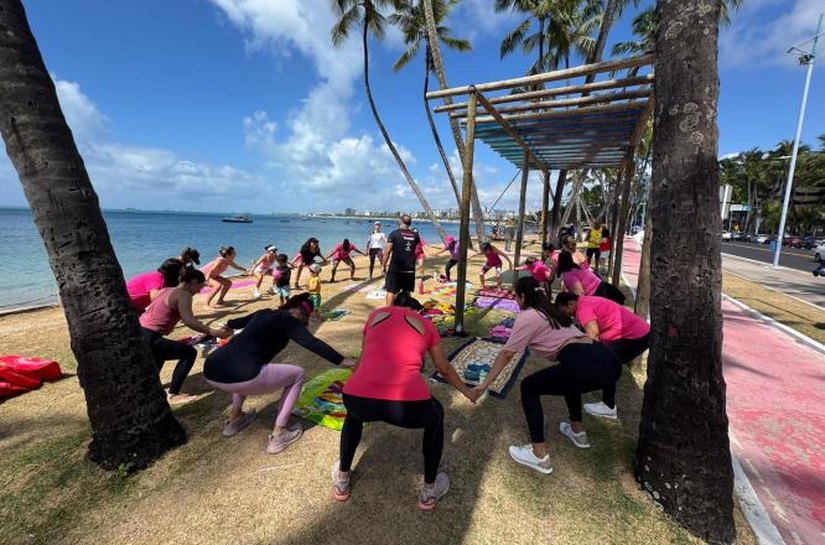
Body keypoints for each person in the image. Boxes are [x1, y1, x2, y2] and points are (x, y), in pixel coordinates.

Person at [331, 291, 477, 509]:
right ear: (416, 310)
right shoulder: (426, 325)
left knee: (354, 416)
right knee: (436, 416)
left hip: (357, 398)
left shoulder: (375, 316)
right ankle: (429, 491)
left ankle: (342, 479)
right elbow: (443, 368)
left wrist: (361, 385)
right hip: (406, 407)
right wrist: (467, 392)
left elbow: (363, 358)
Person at [475, 277, 622, 474]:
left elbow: (506, 353)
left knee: (529, 387)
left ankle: (539, 455)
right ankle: (578, 433)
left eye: (517, 297)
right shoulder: (552, 311)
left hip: (583, 361)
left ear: (523, 297)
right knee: (569, 379)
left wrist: (484, 384)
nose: (517, 302)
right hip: (609, 362)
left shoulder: (528, 316)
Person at [203, 293, 356, 453]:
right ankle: (279, 433)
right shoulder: (288, 320)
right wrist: (342, 361)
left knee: (247, 365)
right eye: (303, 315)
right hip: (242, 376)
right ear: (296, 309)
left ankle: (235, 419)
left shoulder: (264, 312)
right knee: (298, 374)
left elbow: (235, 322)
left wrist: (227, 326)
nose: (302, 319)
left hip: (212, 369)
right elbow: (312, 343)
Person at [139, 269, 232, 403]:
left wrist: (204, 328)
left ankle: (150, 388)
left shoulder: (167, 290)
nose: (199, 291)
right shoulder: (184, 295)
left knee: (161, 354)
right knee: (189, 353)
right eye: (200, 287)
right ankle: (174, 394)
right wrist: (213, 332)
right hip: (150, 335)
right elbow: (189, 321)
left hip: (140, 332)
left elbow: (186, 318)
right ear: (193, 282)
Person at [555, 292, 650, 419]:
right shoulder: (585, 301)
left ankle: (608, 406)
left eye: (564, 310)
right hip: (638, 332)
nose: (565, 314)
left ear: (571, 303)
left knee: (606, 363)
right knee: (606, 360)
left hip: (635, 336)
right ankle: (605, 400)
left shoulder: (583, 309)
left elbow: (593, 334)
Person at [557, 251, 626, 305]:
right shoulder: (578, 267)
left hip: (599, 295)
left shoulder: (569, 275)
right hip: (605, 288)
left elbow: (580, 293)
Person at [381, 214, 421, 307]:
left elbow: (387, 251)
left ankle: (389, 312)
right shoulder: (415, 235)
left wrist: (383, 265)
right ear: (410, 223)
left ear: (400, 222)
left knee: (391, 290)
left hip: (396, 268)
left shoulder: (394, 234)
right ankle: (402, 312)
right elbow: (417, 251)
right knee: (406, 291)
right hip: (409, 268)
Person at [412, 228, 427, 294]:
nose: (416, 233)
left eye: (417, 232)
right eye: (414, 232)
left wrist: (427, 251)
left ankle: (422, 277)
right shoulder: (410, 238)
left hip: (420, 253)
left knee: (421, 266)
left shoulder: (420, 238)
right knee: (411, 266)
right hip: (413, 254)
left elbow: (424, 246)